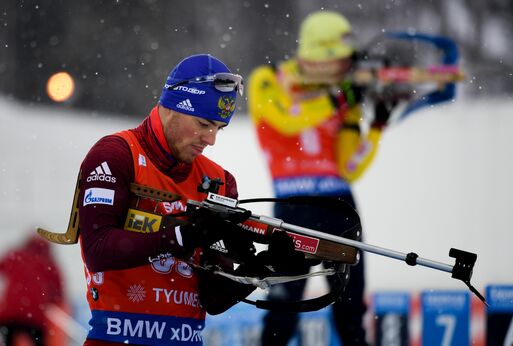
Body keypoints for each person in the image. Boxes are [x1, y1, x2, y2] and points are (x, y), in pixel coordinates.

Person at [77, 54, 269, 346]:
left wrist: (262, 267)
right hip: (115, 338)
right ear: (173, 108)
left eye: (219, 128)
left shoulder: (220, 181)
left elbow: (213, 298)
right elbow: (98, 249)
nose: (211, 139)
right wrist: (183, 235)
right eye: (204, 124)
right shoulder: (115, 154)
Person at [248, 11, 394, 345]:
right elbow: (286, 120)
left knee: (352, 311)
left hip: (340, 207)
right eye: (340, 60)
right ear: (319, 55)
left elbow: (349, 166)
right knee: (283, 310)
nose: (345, 68)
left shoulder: (342, 95)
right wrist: (338, 98)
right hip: (293, 208)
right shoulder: (268, 79)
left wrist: (375, 126)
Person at [0, 234, 65, 346]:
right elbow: (59, 294)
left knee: (8, 340)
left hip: (9, 314)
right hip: (35, 316)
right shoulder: (49, 264)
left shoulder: (15, 255)